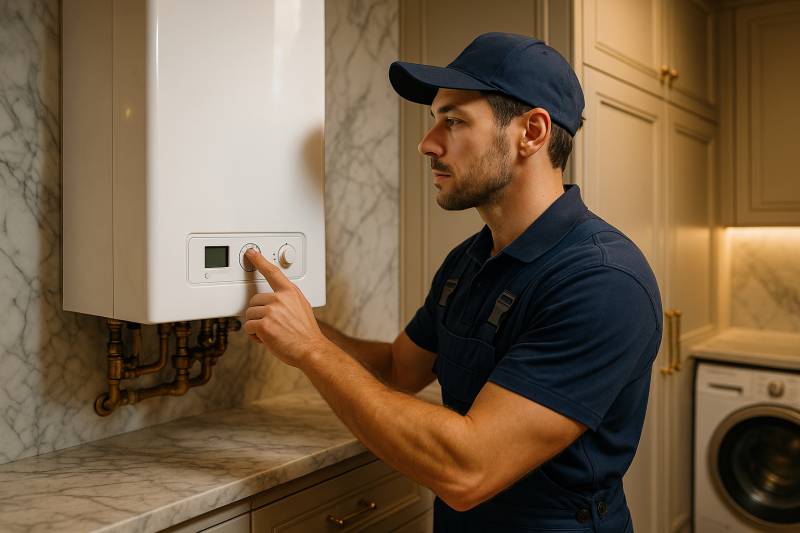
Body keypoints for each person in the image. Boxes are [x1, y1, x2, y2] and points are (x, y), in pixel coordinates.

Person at [244, 32, 662, 533]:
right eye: (434, 120)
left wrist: (313, 351)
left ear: (531, 132)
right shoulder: (469, 259)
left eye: (455, 120)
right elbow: (400, 369)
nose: (428, 144)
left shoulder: (602, 281)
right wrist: (296, 323)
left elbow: (469, 468)